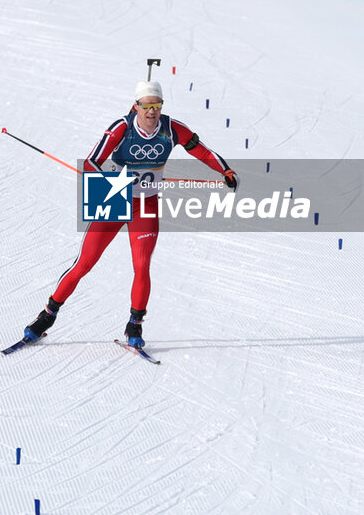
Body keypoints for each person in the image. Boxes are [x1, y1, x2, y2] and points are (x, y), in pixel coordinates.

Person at [22, 80, 237, 349]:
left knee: (142, 264)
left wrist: (225, 170)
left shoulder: (172, 128)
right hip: (114, 196)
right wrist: (104, 180)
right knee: (84, 263)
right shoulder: (121, 127)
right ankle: (47, 315)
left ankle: (134, 325)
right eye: (146, 106)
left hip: (145, 204)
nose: (151, 111)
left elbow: (201, 150)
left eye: (156, 105)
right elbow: (91, 161)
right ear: (136, 106)